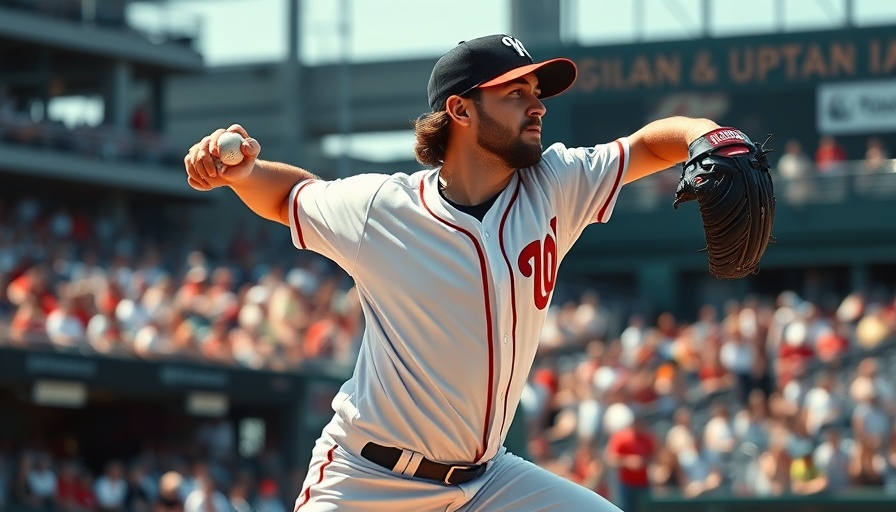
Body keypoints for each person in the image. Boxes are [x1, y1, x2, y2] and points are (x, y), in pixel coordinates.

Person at [184, 33, 729, 511]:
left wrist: (709, 135)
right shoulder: (384, 208)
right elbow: (289, 197)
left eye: (537, 94)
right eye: (516, 94)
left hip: (487, 483)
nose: (536, 107)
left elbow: (645, 146)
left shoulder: (555, 183)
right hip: (368, 481)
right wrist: (245, 173)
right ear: (461, 111)